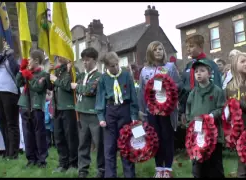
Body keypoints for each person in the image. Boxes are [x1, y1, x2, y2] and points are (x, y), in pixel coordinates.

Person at [138, 41, 181, 178]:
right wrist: (143, 111)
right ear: (150, 52)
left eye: (160, 49)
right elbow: (141, 91)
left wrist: (170, 90)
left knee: (167, 138)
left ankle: (167, 169)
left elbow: (178, 85)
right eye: (155, 49)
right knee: (155, 138)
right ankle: (159, 169)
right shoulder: (144, 71)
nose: (158, 51)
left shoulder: (170, 67)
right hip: (151, 111)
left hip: (166, 111)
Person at [95, 51, 139, 178]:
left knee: (126, 145)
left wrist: (134, 116)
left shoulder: (126, 75)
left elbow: (133, 97)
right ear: (106, 66)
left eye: (116, 64)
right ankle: (110, 175)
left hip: (125, 111)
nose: (115, 68)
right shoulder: (103, 79)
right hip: (110, 112)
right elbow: (100, 98)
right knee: (109, 148)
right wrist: (101, 117)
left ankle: (129, 175)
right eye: (112, 66)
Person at [180, 34, 222, 146]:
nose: (188, 49)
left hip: (209, 111)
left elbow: (217, 87)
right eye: (187, 47)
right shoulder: (189, 66)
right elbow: (184, 91)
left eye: (192, 46)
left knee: (211, 144)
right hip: (194, 112)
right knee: (196, 143)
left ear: (200, 46)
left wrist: (213, 114)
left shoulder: (211, 64)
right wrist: (183, 111)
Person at [185, 60, 225, 178]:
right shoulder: (193, 93)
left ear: (209, 73)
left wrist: (212, 116)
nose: (198, 73)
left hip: (214, 137)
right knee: (198, 168)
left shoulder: (217, 91)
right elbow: (188, 109)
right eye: (196, 71)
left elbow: (222, 108)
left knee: (215, 167)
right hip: (197, 138)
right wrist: (189, 123)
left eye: (202, 71)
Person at [70, 47, 105, 178]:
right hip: (81, 113)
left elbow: (90, 90)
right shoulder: (83, 76)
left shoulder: (99, 76)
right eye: (83, 60)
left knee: (99, 143)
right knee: (83, 144)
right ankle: (83, 170)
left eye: (88, 60)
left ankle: (102, 170)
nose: (85, 63)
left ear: (95, 60)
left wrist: (77, 87)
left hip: (94, 115)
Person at [0, 33, 21, 160]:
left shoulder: (16, 56)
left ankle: (14, 153)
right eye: (4, 41)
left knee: (12, 123)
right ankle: (7, 150)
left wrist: (10, 55)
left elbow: (15, 69)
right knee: (2, 123)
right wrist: (2, 54)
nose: (4, 43)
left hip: (10, 91)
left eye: (7, 41)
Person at [16, 49, 49, 168]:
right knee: (27, 133)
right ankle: (31, 158)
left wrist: (29, 76)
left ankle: (41, 159)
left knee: (39, 133)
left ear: (36, 60)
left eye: (29, 59)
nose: (28, 61)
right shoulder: (26, 72)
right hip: (25, 104)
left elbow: (39, 88)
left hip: (36, 106)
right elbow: (18, 83)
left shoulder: (43, 74)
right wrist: (21, 70)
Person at [49, 56, 79, 173]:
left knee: (70, 137)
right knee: (59, 137)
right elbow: (49, 86)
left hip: (68, 108)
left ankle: (73, 164)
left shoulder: (72, 69)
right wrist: (49, 72)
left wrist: (57, 78)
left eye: (62, 54)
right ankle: (63, 163)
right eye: (58, 55)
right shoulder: (57, 70)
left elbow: (67, 85)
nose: (59, 57)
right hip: (57, 108)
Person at [225, 51, 246, 178]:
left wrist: (239, 103)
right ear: (234, 65)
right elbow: (226, 111)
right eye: (242, 61)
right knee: (242, 161)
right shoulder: (229, 87)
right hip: (238, 130)